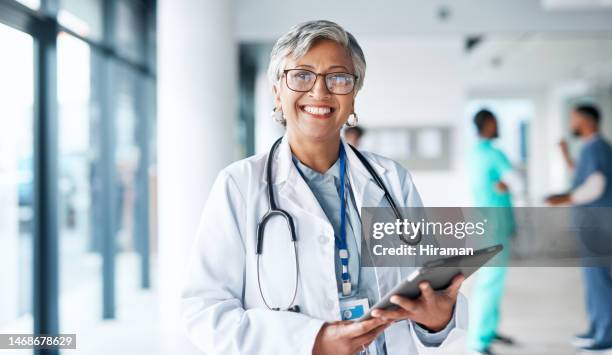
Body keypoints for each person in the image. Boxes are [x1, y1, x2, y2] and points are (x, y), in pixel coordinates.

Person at [181, 20, 467, 355]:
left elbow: (424, 289)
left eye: (338, 78)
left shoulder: (392, 180)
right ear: (277, 91)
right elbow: (205, 313)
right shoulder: (239, 186)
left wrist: (437, 318)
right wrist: (312, 340)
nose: (320, 91)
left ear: (354, 94)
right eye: (301, 75)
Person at [546, 104, 612, 354]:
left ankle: (606, 338)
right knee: (593, 280)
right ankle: (597, 328)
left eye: (573, 119)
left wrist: (566, 198)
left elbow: (595, 185)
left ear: (586, 121)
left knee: (600, 281)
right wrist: (564, 155)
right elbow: (582, 176)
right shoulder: (591, 148)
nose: (571, 123)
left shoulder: (597, 148)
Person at [467, 109, 516, 355]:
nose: (498, 127)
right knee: (490, 283)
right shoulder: (493, 153)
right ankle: (478, 341)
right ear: (487, 124)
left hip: (485, 225)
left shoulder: (474, 153)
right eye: (495, 123)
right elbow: (516, 179)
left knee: (491, 282)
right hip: (495, 227)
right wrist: (506, 184)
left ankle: (488, 330)